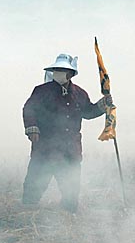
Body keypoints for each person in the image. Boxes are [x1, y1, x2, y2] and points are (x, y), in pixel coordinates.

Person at [22, 53, 113, 213]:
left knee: (71, 194)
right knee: (33, 189)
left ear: (70, 74)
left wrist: (102, 105)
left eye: (63, 70)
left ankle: (68, 221)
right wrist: (31, 127)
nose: (59, 72)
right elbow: (29, 109)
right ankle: (27, 216)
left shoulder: (79, 93)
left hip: (70, 152)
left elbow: (88, 112)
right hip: (45, 150)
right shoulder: (41, 91)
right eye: (57, 69)